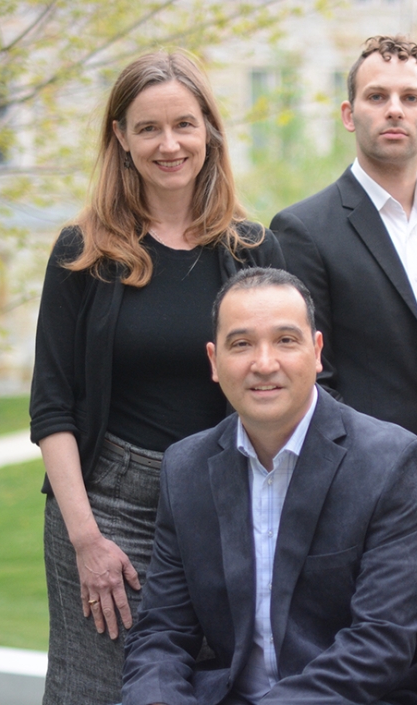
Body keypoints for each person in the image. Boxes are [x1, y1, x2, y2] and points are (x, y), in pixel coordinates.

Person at [29, 51, 284, 704]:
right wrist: (86, 538)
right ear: (120, 136)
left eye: (183, 125)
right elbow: (52, 407)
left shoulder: (251, 250)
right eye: (148, 128)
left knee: (215, 684)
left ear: (209, 130)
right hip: (108, 506)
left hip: (223, 500)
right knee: (99, 690)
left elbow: (286, 388)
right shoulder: (83, 253)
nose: (169, 145)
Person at [122, 267, 417, 705]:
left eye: (286, 340)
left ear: (317, 351)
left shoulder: (391, 461)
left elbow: (381, 641)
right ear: (214, 361)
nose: (264, 363)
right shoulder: (186, 468)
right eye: (241, 344)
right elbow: (162, 633)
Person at [270, 35, 417, 494]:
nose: (395, 110)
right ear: (349, 114)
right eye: (377, 96)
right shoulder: (302, 230)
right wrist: (392, 481)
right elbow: (310, 376)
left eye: (411, 98)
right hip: (358, 490)